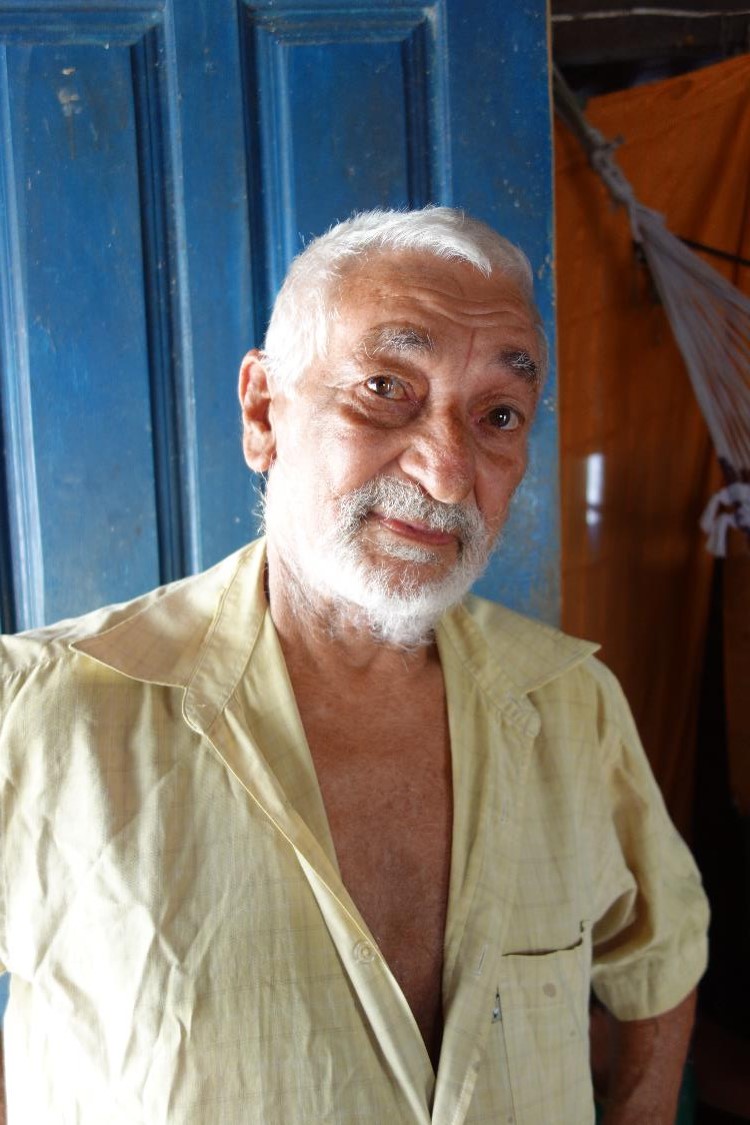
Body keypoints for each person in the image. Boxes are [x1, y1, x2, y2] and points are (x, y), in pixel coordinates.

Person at [0, 208, 708, 1124]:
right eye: (385, 387)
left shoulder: (573, 703)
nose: (448, 472)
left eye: (498, 414)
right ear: (265, 412)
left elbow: (663, 957)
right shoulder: (39, 712)